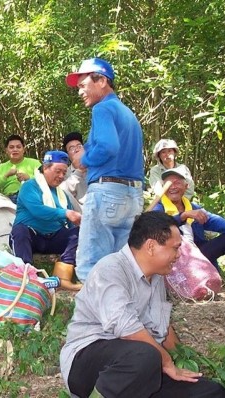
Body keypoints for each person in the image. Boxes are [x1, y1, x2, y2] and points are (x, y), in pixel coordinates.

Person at [60, 212, 225, 398]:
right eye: (175, 248)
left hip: (140, 368)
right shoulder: (110, 269)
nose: (178, 255)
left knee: (210, 392)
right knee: (146, 356)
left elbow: (162, 327)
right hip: (88, 363)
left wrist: (182, 360)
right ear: (151, 246)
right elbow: (125, 328)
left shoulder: (157, 277)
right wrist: (166, 361)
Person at [66, 57, 144, 282]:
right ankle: (121, 313)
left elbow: (109, 146)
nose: (80, 92)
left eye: (83, 85)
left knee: (92, 264)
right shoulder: (128, 114)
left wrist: (85, 158)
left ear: (101, 81)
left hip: (107, 192)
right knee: (122, 265)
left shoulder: (102, 108)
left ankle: (96, 315)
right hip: (132, 195)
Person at [153, 166, 225, 296]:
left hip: (197, 256)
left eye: (177, 182)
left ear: (186, 186)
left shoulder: (193, 207)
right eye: (168, 184)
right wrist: (183, 216)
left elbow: (213, 220)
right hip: (175, 258)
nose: (173, 187)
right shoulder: (158, 208)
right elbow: (156, 227)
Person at [9, 150, 82, 290]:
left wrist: (78, 222)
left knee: (78, 232)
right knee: (20, 230)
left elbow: (69, 222)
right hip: (31, 237)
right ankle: (26, 276)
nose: (61, 176)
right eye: (58, 171)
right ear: (45, 168)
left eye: (64, 172)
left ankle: (62, 278)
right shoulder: (30, 186)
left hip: (53, 237)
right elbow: (38, 210)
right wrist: (66, 213)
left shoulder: (62, 194)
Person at [0, 134, 41, 203]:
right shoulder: (0, 168)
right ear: (6, 150)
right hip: (7, 200)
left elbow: (46, 181)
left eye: (18, 147)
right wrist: (6, 175)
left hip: (31, 197)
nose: (15, 149)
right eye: (11, 147)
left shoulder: (35, 163)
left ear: (23, 149)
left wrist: (29, 178)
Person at [59, 131, 88, 205]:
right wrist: (79, 171)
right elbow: (62, 194)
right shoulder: (64, 173)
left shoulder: (96, 167)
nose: (77, 150)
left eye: (79, 146)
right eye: (72, 148)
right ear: (67, 154)